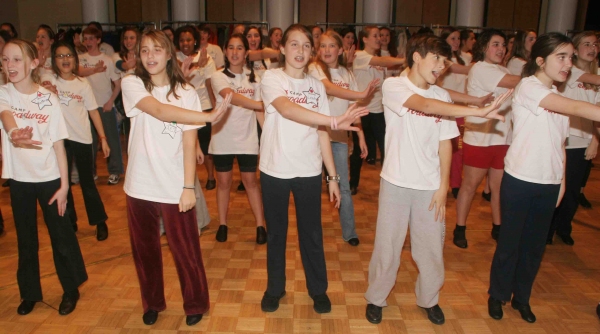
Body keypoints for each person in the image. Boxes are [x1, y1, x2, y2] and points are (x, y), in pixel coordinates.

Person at [364, 34, 511, 326]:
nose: (441, 67)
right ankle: (376, 298)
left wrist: (444, 186)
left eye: (445, 62)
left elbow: (446, 143)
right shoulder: (394, 86)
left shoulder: (442, 95)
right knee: (387, 246)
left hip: (430, 186)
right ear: (417, 56)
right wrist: (475, 110)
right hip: (395, 182)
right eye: (437, 59)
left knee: (430, 249)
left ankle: (429, 299)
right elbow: (425, 106)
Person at [121, 29, 232, 326]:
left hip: (174, 185)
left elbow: (187, 141)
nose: (150, 56)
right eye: (144, 51)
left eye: (157, 50)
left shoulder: (185, 93)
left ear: (170, 54)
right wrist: (208, 116)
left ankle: (195, 303)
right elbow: (157, 109)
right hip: (139, 184)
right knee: (145, 252)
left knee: (186, 250)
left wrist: (187, 187)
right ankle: (153, 302)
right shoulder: (132, 83)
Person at [487, 32, 600, 324]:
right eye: (561, 57)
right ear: (540, 60)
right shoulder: (528, 87)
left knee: (534, 248)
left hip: (549, 183)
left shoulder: (558, 96)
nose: (567, 63)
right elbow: (576, 108)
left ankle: (521, 299)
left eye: (570, 57)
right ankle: (497, 294)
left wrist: (560, 181)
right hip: (520, 179)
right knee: (510, 244)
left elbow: (558, 144)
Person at [259, 24, 368, 315]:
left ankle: (318, 290)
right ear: (282, 48)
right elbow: (286, 109)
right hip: (275, 170)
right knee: (277, 234)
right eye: (294, 45)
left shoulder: (317, 86)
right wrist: (333, 122)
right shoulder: (271, 78)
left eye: (307, 46)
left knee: (312, 233)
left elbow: (321, 132)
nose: (300, 51)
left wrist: (332, 177)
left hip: (308, 170)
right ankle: (274, 288)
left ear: (313, 52)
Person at [0, 38, 88, 316]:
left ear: (33, 62)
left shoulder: (48, 98)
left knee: (61, 237)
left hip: (51, 178)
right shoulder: (3, 93)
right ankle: (29, 293)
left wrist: (64, 186)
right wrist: (15, 133)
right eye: (5, 59)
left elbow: (59, 144)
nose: (10, 65)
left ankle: (70, 288)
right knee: (26, 241)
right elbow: (6, 117)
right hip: (20, 181)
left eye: (16, 59)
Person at [309, 30, 378, 245]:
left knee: (340, 184)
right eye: (323, 46)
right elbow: (330, 89)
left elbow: (352, 108)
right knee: (311, 187)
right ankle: (312, 234)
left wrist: (361, 136)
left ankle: (350, 232)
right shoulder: (314, 68)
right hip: (313, 137)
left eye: (331, 46)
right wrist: (361, 94)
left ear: (340, 50)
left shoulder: (348, 75)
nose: (327, 50)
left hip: (338, 139)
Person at [454, 29, 521, 248]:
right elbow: (514, 82)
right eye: (495, 44)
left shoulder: (501, 69)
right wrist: (541, 74)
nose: (501, 49)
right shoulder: (481, 68)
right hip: (480, 138)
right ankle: (460, 228)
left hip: (502, 139)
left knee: (499, 187)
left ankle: (498, 226)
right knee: (470, 186)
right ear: (483, 47)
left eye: (503, 45)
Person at [41, 41, 110, 239]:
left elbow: (93, 112)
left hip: (82, 139)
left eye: (69, 55)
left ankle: (100, 221)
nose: (65, 59)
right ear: (54, 60)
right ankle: (69, 221)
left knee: (88, 182)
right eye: (60, 56)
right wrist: (47, 92)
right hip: (59, 141)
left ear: (75, 59)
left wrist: (103, 138)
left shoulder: (82, 84)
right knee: (64, 183)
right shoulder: (48, 79)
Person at [209, 33, 266, 243]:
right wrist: (260, 104)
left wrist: (267, 134)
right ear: (225, 51)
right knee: (223, 183)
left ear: (246, 53)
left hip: (247, 137)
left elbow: (260, 113)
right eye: (231, 47)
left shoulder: (255, 78)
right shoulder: (218, 76)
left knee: (250, 181)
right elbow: (230, 97)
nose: (235, 52)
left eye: (239, 48)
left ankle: (261, 225)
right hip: (222, 136)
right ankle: (223, 224)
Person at [547, 31, 600, 246]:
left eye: (595, 44)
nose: (592, 48)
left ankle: (564, 227)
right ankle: (548, 229)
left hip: (585, 142)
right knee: (559, 187)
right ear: (575, 50)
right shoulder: (572, 72)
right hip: (566, 138)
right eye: (586, 44)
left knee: (573, 190)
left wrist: (595, 141)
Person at [349, 26, 404, 195]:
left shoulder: (382, 58)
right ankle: (353, 183)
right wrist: (405, 60)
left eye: (380, 36)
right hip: (361, 111)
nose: (379, 39)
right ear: (365, 39)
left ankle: (390, 185)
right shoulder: (360, 56)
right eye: (375, 36)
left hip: (379, 112)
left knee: (387, 148)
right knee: (359, 150)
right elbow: (381, 62)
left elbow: (389, 71)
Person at [80, 26, 124, 188]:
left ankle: (114, 171)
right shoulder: (80, 58)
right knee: (88, 141)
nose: (88, 42)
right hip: (85, 108)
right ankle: (91, 172)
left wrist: (110, 101)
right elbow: (77, 72)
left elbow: (118, 85)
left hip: (104, 106)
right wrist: (94, 69)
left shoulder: (107, 59)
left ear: (98, 40)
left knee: (111, 140)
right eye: (86, 39)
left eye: (92, 38)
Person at [175, 25, 218, 190]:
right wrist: (195, 64)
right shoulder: (173, 57)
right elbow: (178, 74)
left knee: (205, 145)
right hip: (181, 107)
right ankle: (186, 178)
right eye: (182, 40)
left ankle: (211, 176)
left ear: (195, 41)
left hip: (203, 106)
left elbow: (209, 83)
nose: (185, 43)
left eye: (189, 39)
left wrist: (214, 107)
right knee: (184, 144)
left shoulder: (206, 57)